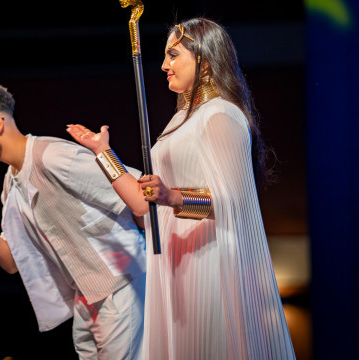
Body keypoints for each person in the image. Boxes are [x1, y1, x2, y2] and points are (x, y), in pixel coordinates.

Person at [67, 18, 295, 359]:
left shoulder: (221, 114)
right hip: (174, 264)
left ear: (204, 60)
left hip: (209, 261)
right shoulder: (178, 122)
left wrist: (172, 196)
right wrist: (104, 154)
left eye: (173, 55)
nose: (164, 65)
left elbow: (232, 203)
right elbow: (144, 206)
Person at [0, 82, 147, 360]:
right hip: (86, 297)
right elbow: (11, 261)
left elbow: (139, 191)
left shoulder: (51, 155)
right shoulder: (10, 182)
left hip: (121, 285)